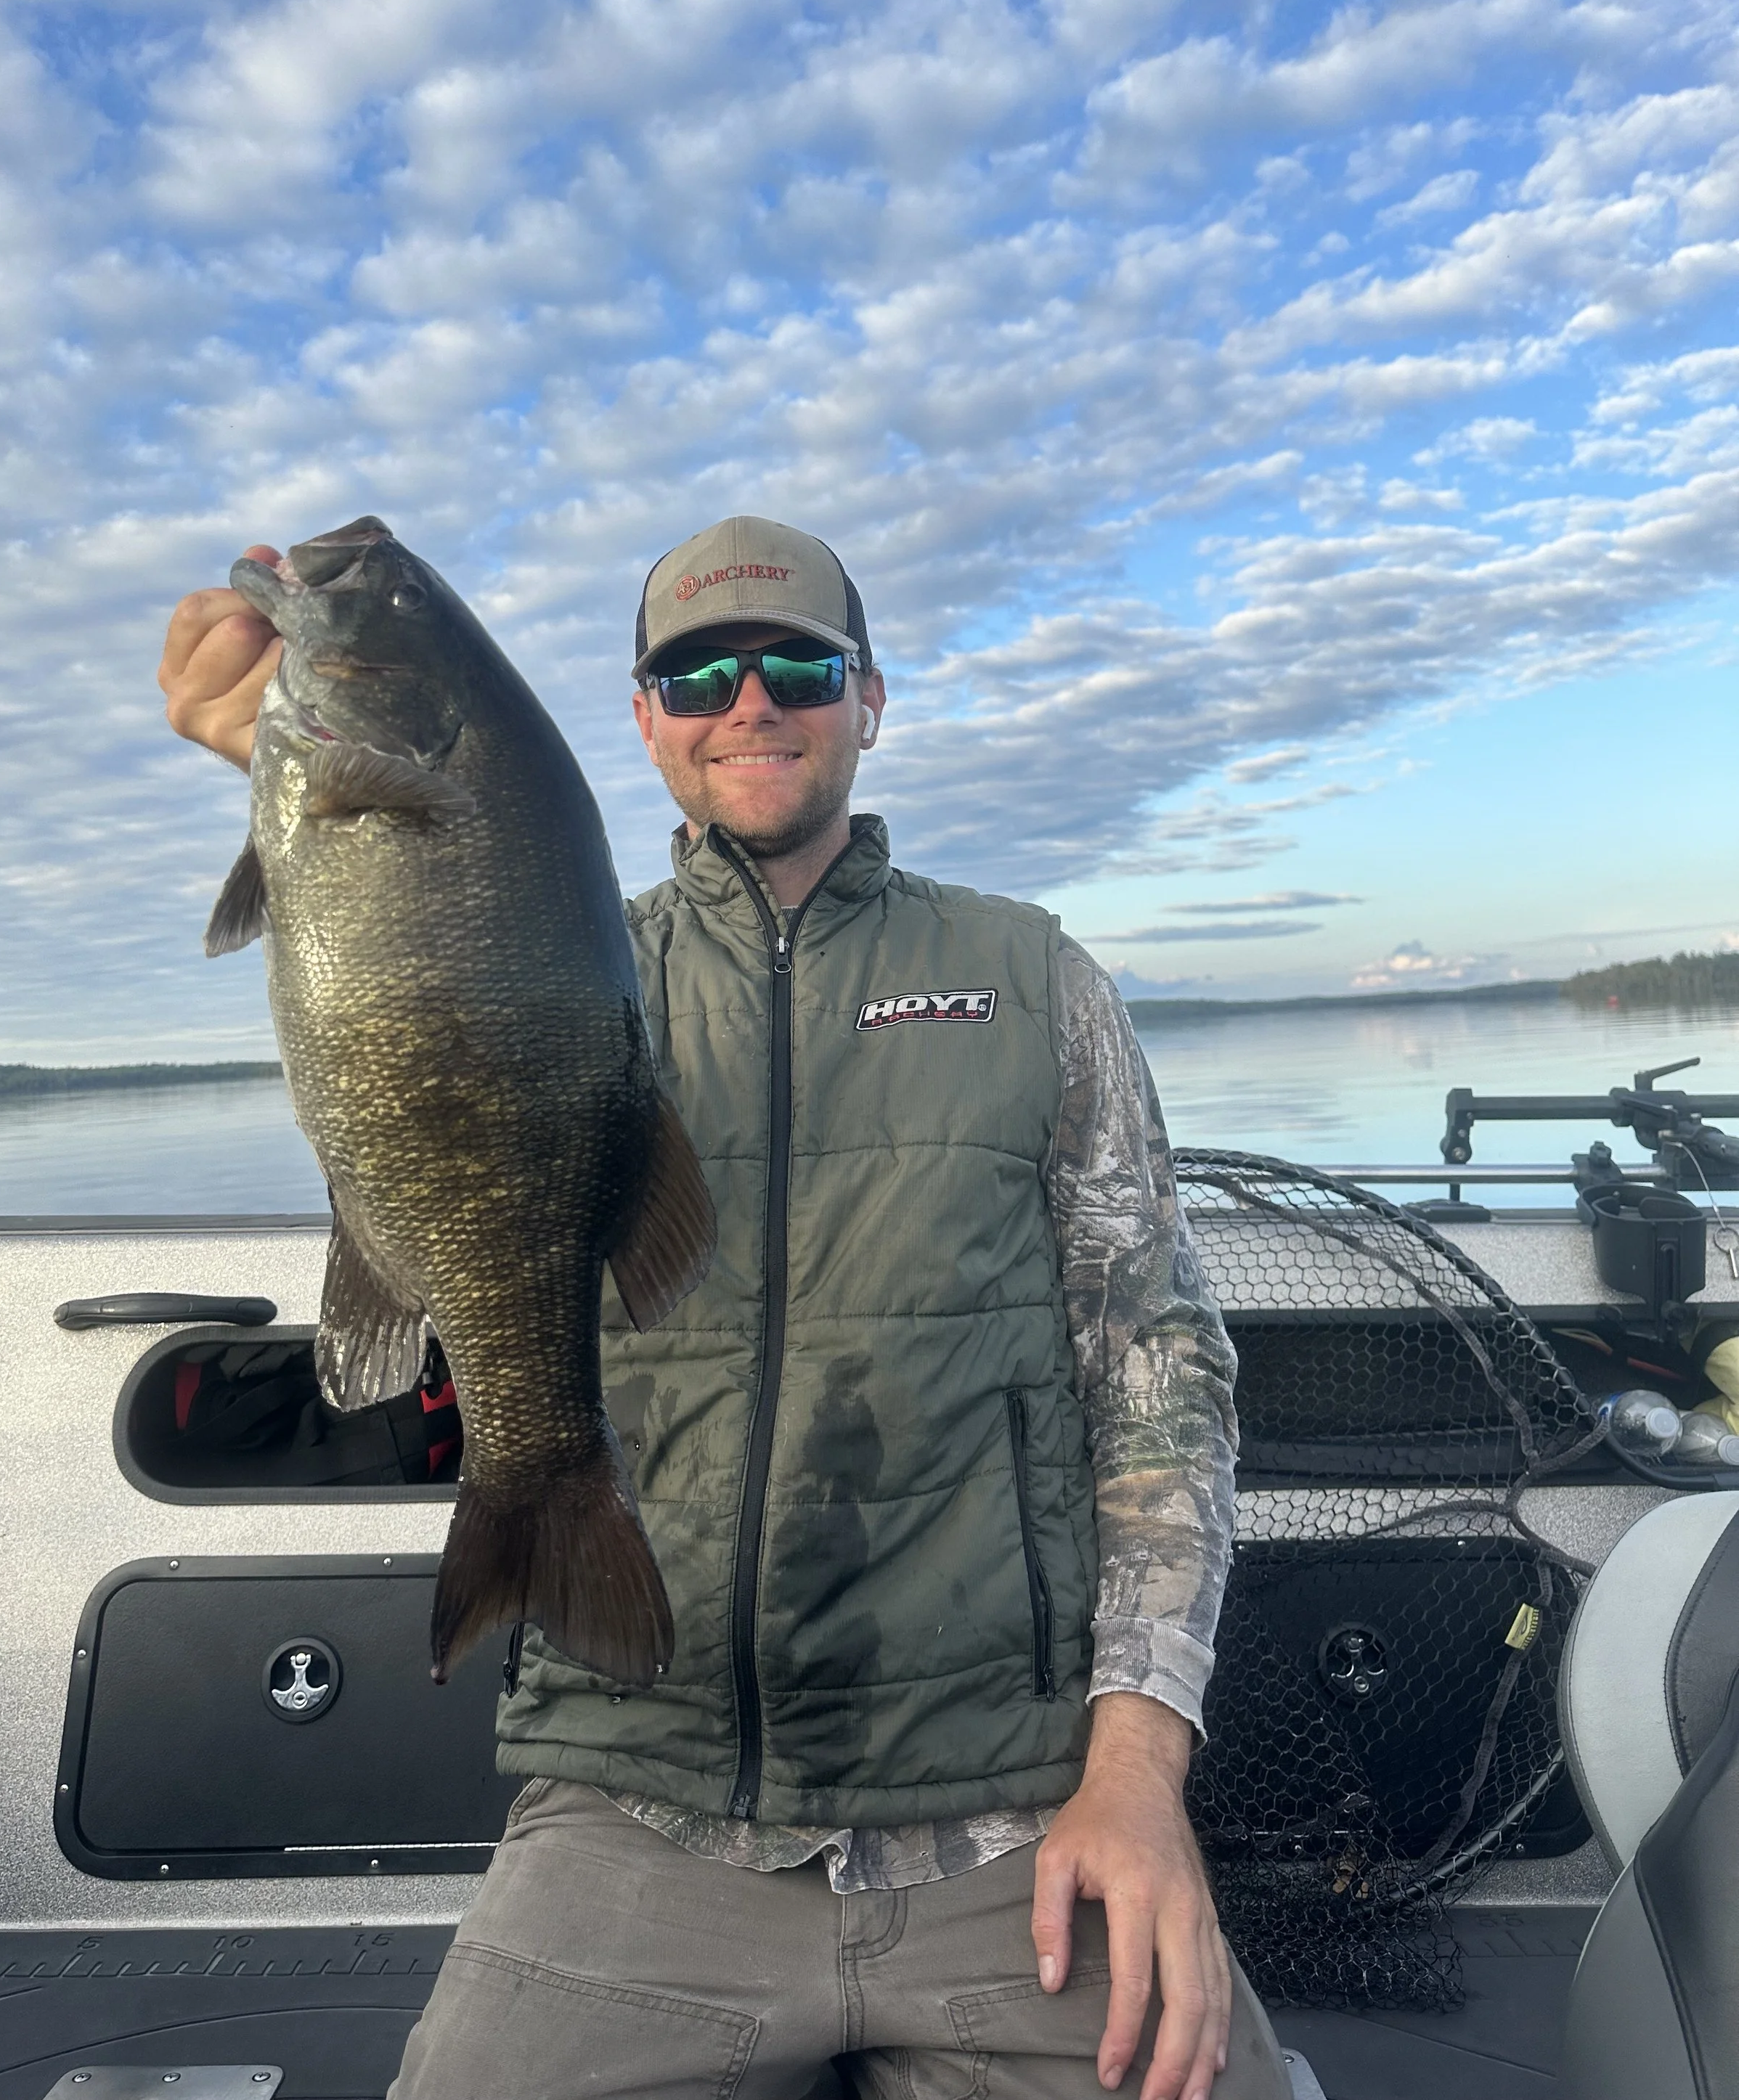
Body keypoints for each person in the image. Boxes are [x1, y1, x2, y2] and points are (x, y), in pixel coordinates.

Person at [159, 516, 1289, 2100]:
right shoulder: (561, 962)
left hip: (1015, 1819)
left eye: (797, 665)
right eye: (696, 668)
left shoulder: (1030, 977)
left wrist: (1135, 1774)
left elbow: (1159, 1374)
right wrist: (290, 788)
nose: (746, 700)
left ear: (868, 699)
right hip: (640, 1802)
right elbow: (404, 985)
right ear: (643, 718)